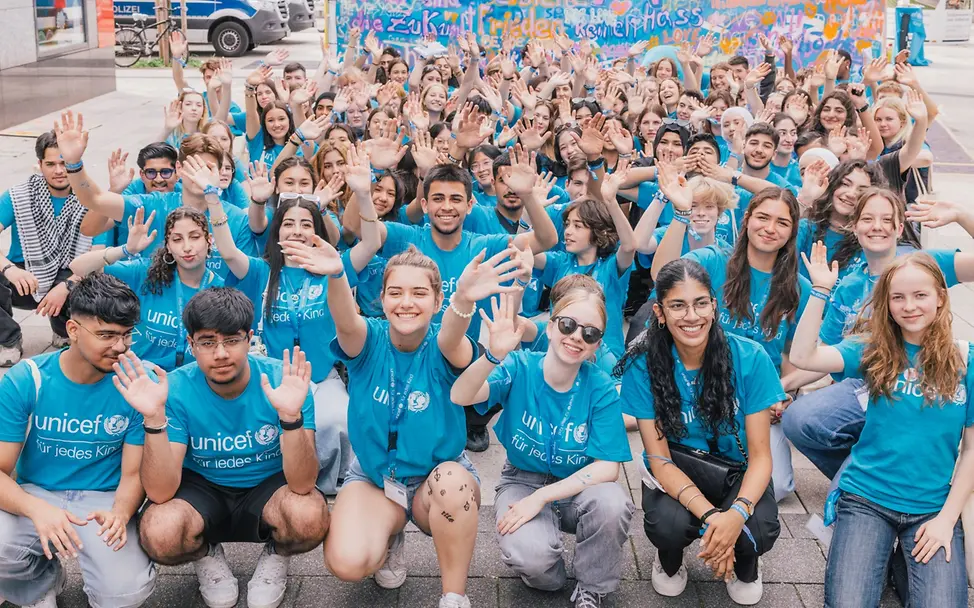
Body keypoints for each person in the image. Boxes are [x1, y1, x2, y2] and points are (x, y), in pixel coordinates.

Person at [322, 244, 525, 608]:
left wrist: (464, 299)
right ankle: (389, 533)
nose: (406, 303)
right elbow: (344, 319)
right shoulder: (367, 340)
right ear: (382, 298)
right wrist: (336, 274)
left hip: (437, 479)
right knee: (347, 562)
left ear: (437, 300)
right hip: (375, 478)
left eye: (419, 293)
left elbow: (451, 334)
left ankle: (453, 596)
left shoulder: (446, 347)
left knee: (452, 484)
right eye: (395, 292)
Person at [119, 287, 328, 608]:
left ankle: (277, 554)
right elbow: (160, 493)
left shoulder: (283, 382)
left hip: (268, 486)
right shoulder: (174, 389)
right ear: (191, 344)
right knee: (160, 532)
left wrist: (290, 417)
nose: (220, 353)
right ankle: (205, 555)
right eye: (207, 342)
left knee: (309, 517)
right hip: (202, 488)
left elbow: (303, 483)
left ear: (250, 339)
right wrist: (154, 419)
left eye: (231, 340)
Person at [790, 246, 974, 607]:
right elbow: (802, 357)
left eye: (920, 295)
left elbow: (972, 451)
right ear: (886, 304)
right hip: (866, 499)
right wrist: (820, 291)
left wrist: (946, 520)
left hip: (932, 507)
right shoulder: (872, 349)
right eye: (898, 297)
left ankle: (900, 563)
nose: (909, 306)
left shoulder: (965, 361)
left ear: (940, 297)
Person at [200, 145, 382, 495]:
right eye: (288, 224)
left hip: (324, 377)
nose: (297, 231)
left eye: (306, 224)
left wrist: (363, 193)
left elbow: (371, 242)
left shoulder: (333, 268)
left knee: (337, 421)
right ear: (277, 231)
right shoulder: (261, 272)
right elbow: (228, 252)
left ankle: (326, 489)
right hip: (271, 378)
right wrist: (212, 198)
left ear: (318, 231)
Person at [451, 287, 634, 608]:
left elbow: (608, 468)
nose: (576, 337)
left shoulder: (601, 387)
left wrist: (542, 497)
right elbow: (461, 396)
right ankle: (551, 570)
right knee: (534, 562)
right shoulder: (519, 366)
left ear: (597, 345)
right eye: (567, 325)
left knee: (612, 503)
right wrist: (492, 356)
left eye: (590, 333)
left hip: (579, 485)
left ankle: (592, 584)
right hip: (522, 478)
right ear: (549, 327)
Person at [619, 258, 782, 606]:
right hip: (677, 467)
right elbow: (659, 460)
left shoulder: (750, 358)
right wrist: (713, 520)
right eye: (678, 305)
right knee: (668, 526)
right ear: (660, 312)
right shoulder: (643, 364)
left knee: (759, 528)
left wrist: (736, 515)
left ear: (714, 306)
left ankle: (746, 563)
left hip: (737, 470)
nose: (691, 316)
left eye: (700, 303)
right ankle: (670, 560)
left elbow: (761, 458)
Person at [0, 273, 156, 607]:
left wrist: (121, 514)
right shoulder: (28, 379)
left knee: (125, 593)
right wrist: (35, 508)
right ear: (72, 330)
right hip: (37, 492)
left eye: (127, 334)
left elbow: (133, 474)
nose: (120, 346)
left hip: (104, 499)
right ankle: (41, 583)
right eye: (106, 335)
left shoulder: (136, 382)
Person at [652, 177, 811, 502]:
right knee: (692, 474)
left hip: (756, 401)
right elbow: (663, 274)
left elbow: (804, 354)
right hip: (699, 388)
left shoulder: (799, 288)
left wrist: (782, 390)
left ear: (792, 232)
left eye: (782, 222)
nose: (770, 228)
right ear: (747, 219)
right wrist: (681, 214)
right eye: (763, 217)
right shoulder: (714, 260)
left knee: (778, 486)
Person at [53, 113, 261, 281]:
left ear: (220, 172)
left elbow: (248, 277)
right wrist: (74, 164)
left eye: (208, 168)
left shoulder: (237, 219)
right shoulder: (153, 205)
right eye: (193, 166)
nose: (200, 176)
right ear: (179, 169)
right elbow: (95, 199)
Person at [69, 207, 223, 371]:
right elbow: (78, 267)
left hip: (190, 378)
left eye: (195, 237)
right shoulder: (147, 273)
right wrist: (126, 249)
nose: (187, 247)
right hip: (138, 373)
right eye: (177, 239)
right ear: (168, 246)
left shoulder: (220, 288)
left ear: (209, 240)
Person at [0, 130, 93, 365]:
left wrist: (66, 286)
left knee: (94, 283)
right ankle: (8, 340)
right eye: (51, 164)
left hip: (70, 274)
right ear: (40, 165)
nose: (59, 171)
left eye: (64, 163)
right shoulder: (18, 196)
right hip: (24, 278)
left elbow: (97, 256)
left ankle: (64, 330)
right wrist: (10, 269)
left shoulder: (90, 197)